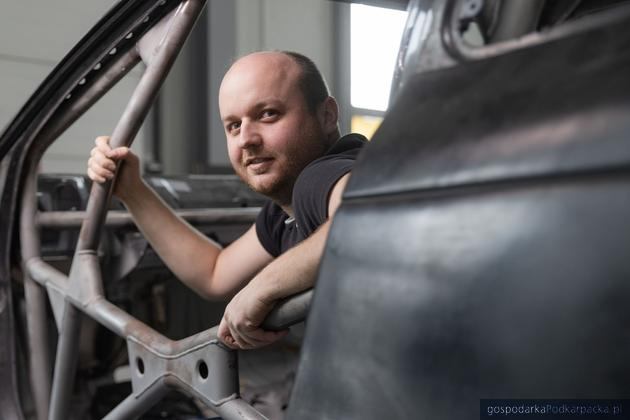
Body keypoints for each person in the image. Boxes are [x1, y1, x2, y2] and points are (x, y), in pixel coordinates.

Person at [87, 50, 366, 350]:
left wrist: (263, 285)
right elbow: (214, 273)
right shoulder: (284, 212)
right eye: (233, 125)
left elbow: (364, 221)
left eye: (268, 114)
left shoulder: (320, 177)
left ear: (327, 115)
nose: (246, 138)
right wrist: (132, 191)